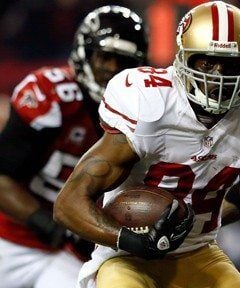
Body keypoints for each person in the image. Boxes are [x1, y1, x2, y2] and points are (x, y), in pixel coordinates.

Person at [53, 1, 240, 288]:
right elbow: (67, 204)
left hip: (199, 253)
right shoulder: (150, 104)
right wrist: (132, 240)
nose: (217, 76)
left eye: (231, 63)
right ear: (183, 59)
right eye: (207, 61)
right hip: (126, 257)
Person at [0, 5, 148, 288]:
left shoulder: (146, 112)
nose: (113, 69)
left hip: (72, 253)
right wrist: (45, 222)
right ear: (85, 53)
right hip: (10, 236)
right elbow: (2, 178)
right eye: (106, 57)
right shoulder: (50, 96)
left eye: (124, 61)